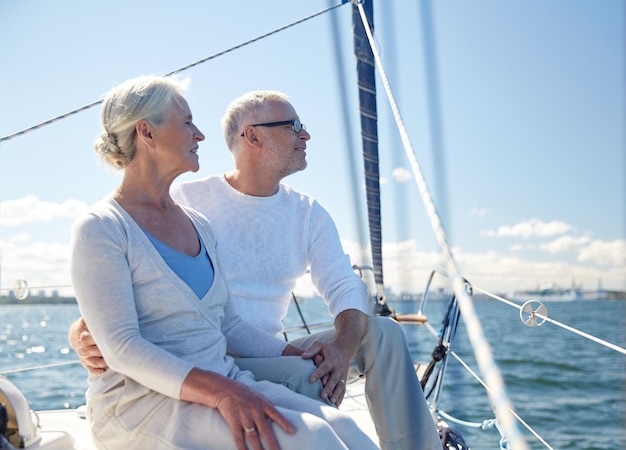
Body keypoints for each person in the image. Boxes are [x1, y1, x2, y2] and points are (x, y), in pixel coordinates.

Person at [71, 90, 441, 450]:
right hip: (179, 379)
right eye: (294, 125)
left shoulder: (283, 215)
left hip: (250, 354)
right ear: (252, 136)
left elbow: (336, 289)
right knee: (312, 399)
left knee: (379, 340)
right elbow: (117, 304)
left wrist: (337, 351)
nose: (306, 134)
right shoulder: (172, 204)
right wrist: (84, 332)